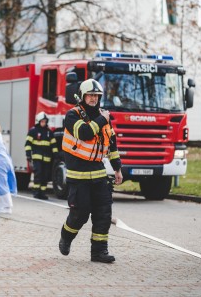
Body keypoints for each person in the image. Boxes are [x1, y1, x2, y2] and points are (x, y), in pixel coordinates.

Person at [58, 79, 123, 263]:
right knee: (80, 215)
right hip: (78, 176)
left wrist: (117, 168)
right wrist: (103, 119)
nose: (93, 98)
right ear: (82, 96)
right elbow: (84, 133)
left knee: (103, 214)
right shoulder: (73, 115)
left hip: (99, 175)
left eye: (96, 96)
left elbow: (112, 144)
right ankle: (66, 238)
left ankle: (99, 252)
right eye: (90, 95)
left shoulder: (104, 118)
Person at [25, 111, 58, 200]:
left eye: (45, 121)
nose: (44, 123)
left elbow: (53, 145)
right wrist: (28, 155)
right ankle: (36, 192)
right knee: (38, 175)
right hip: (37, 158)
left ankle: (42, 193)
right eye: (42, 121)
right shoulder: (33, 131)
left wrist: (56, 155)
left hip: (47, 159)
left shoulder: (49, 132)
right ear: (38, 121)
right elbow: (28, 144)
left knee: (45, 176)